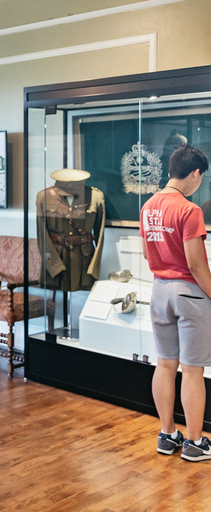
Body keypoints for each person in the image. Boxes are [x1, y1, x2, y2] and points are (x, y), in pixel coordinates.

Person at [140, 143, 211, 462]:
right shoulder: (189, 209)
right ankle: (195, 442)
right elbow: (197, 265)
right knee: (193, 370)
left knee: (165, 364)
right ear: (195, 173)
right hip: (187, 293)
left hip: (159, 290)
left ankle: (167, 435)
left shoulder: (149, 205)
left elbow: (146, 253)